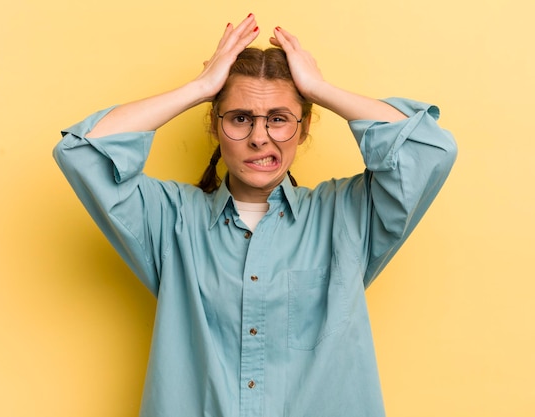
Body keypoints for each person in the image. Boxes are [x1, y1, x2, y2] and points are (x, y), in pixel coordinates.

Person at [53, 13, 457, 417]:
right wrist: (200, 88)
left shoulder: (348, 215)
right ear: (215, 124)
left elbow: (428, 149)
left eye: (279, 119)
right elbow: (82, 151)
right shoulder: (170, 220)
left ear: (304, 126)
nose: (259, 136)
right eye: (240, 118)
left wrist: (319, 88)